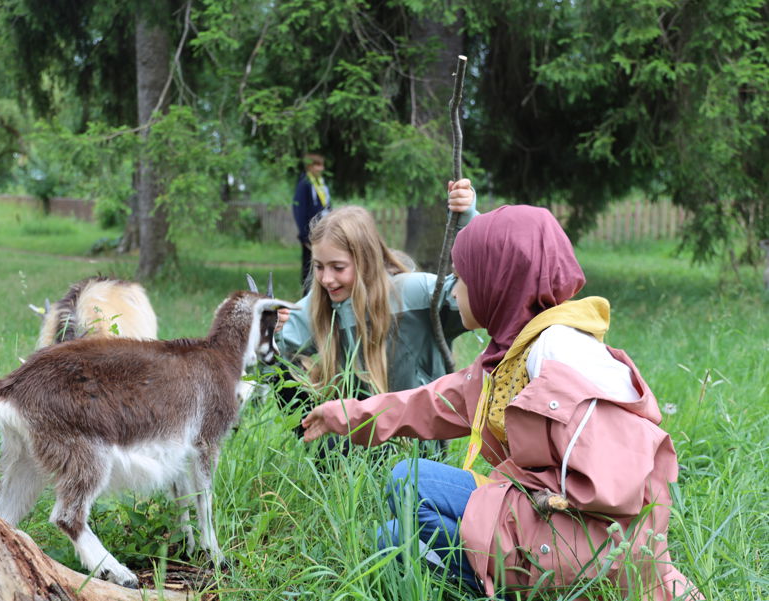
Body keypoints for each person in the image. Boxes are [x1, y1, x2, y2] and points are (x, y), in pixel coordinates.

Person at [300, 179, 701, 599]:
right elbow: (437, 403)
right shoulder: (517, 349)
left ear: (500, 281)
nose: (454, 289)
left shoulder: (558, 355)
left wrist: (505, 528)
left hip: (579, 556)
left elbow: (619, 496)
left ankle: (510, 588)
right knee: (403, 492)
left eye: (464, 277)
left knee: (395, 538)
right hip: (541, 519)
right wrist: (347, 415)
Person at [276, 181, 477, 445]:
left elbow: (474, 287)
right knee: (273, 365)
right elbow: (270, 350)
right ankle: (320, 451)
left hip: (414, 449)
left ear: (366, 260)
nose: (326, 279)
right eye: (318, 267)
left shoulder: (413, 293)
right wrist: (269, 327)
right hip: (348, 454)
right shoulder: (320, 304)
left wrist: (468, 219)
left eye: (338, 267)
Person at [292, 152, 331, 293]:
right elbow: (299, 210)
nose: (321, 169)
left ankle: (320, 293)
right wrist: (304, 235)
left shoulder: (321, 184)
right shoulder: (304, 184)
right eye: (318, 165)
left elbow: (326, 206)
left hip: (324, 230)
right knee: (309, 265)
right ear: (309, 166)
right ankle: (307, 295)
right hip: (310, 233)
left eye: (322, 165)